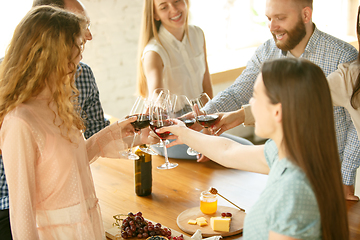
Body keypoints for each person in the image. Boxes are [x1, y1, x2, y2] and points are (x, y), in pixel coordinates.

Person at [159, 58, 349, 240]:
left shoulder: (293, 192)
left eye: (256, 97)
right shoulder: (290, 151)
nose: (250, 105)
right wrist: (184, 134)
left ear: (277, 111)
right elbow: (229, 151)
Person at [0, 6, 143, 239]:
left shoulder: (57, 104)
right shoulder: (20, 121)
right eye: (77, 46)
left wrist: (116, 133)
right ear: (55, 54)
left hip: (85, 228)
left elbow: (68, 168)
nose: (81, 55)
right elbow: (21, 212)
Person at [199, 0, 360, 201]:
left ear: (306, 15)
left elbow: (355, 123)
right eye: (269, 18)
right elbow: (237, 92)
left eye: (281, 18)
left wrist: (346, 179)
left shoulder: (343, 55)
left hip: (326, 174)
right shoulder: (267, 51)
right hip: (280, 170)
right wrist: (202, 116)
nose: (272, 27)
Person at [137, 0, 213, 100]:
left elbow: (207, 85)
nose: (174, 9)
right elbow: (155, 95)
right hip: (174, 115)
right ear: (155, 14)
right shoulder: (154, 52)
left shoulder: (197, 34)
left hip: (204, 113)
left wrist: (207, 112)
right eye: (164, 7)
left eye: (176, 1)